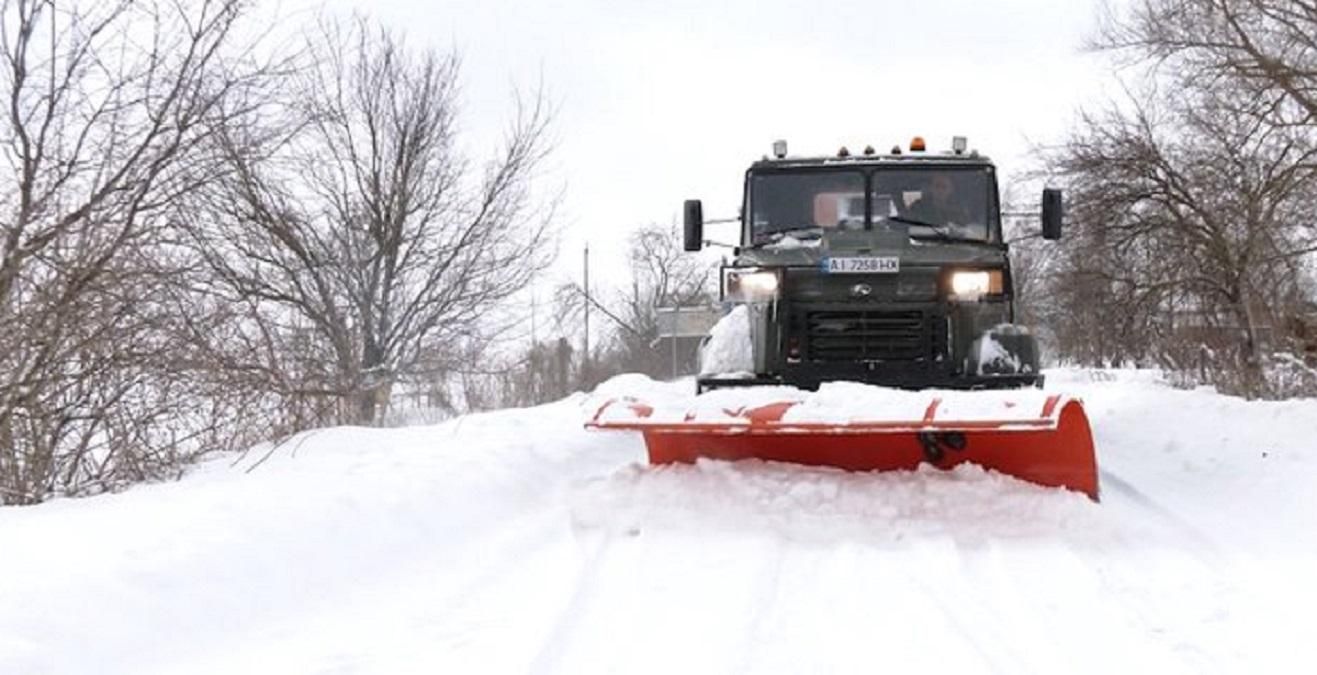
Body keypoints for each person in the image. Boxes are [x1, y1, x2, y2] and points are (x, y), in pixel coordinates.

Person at [907, 173, 972, 225]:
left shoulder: (959, 209)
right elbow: (910, 224)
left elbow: (966, 228)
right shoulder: (918, 206)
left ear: (951, 190)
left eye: (944, 187)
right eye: (937, 186)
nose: (940, 190)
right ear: (931, 188)